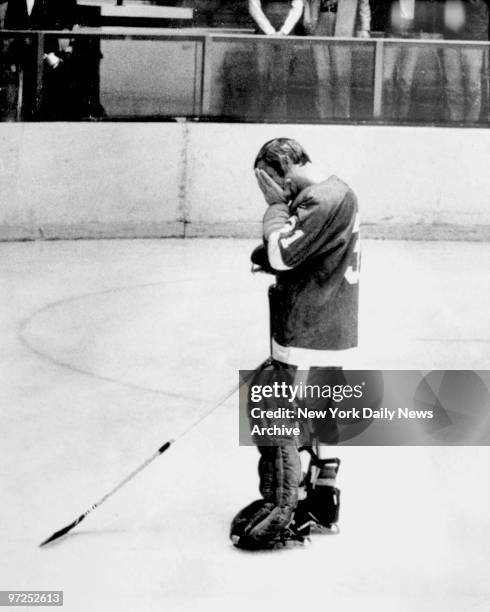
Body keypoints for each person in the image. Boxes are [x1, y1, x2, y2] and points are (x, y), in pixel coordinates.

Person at [230, 137, 360, 550]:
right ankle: (321, 503)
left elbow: (283, 253)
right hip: (328, 326)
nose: (272, 194)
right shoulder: (335, 192)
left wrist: (273, 210)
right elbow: (298, 248)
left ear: (284, 169)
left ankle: (284, 508)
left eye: (270, 183)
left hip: (310, 329)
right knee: (318, 416)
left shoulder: (320, 200)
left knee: (277, 413)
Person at [1, 0, 77, 119]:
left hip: (48, 57)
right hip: (24, 57)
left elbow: (61, 27)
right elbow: (10, 29)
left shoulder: (54, 4)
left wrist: (51, 54)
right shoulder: (15, 2)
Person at [303, 0, 371, 119]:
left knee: (342, 75)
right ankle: (323, 118)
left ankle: (342, 118)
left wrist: (365, 27)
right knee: (321, 75)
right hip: (319, 19)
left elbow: (364, 3)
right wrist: (307, 15)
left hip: (343, 20)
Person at [248, 0, 304, 120]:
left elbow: (298, 6)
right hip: (263, 33)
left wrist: (284, 32)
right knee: (261, 76)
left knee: (281, 80)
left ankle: (279, 120)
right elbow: (254, 6)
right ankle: (258, 121)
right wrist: (270, 32)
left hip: (287, 33)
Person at [441, 0, 489, 122]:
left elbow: (479, 8)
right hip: (451, 39)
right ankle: (455, 121)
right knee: (452, 85)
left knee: (473, 85)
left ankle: (471, 124)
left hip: (472, 40)